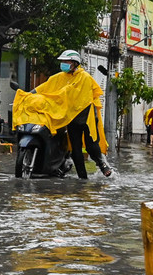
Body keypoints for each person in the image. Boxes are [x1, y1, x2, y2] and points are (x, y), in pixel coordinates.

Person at [14, 49, 112, 178]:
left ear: (75, 63)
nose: (64, 64)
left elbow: (70, 92)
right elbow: (43, 88)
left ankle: (103, 165)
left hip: (86, 117)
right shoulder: (59, 77)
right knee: (75, 150)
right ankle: (83, 178)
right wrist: (27, 95)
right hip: (71, 118)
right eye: (62, 61)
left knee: (91, 146)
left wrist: (56, 97)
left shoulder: (84, 77)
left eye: (67, 61)